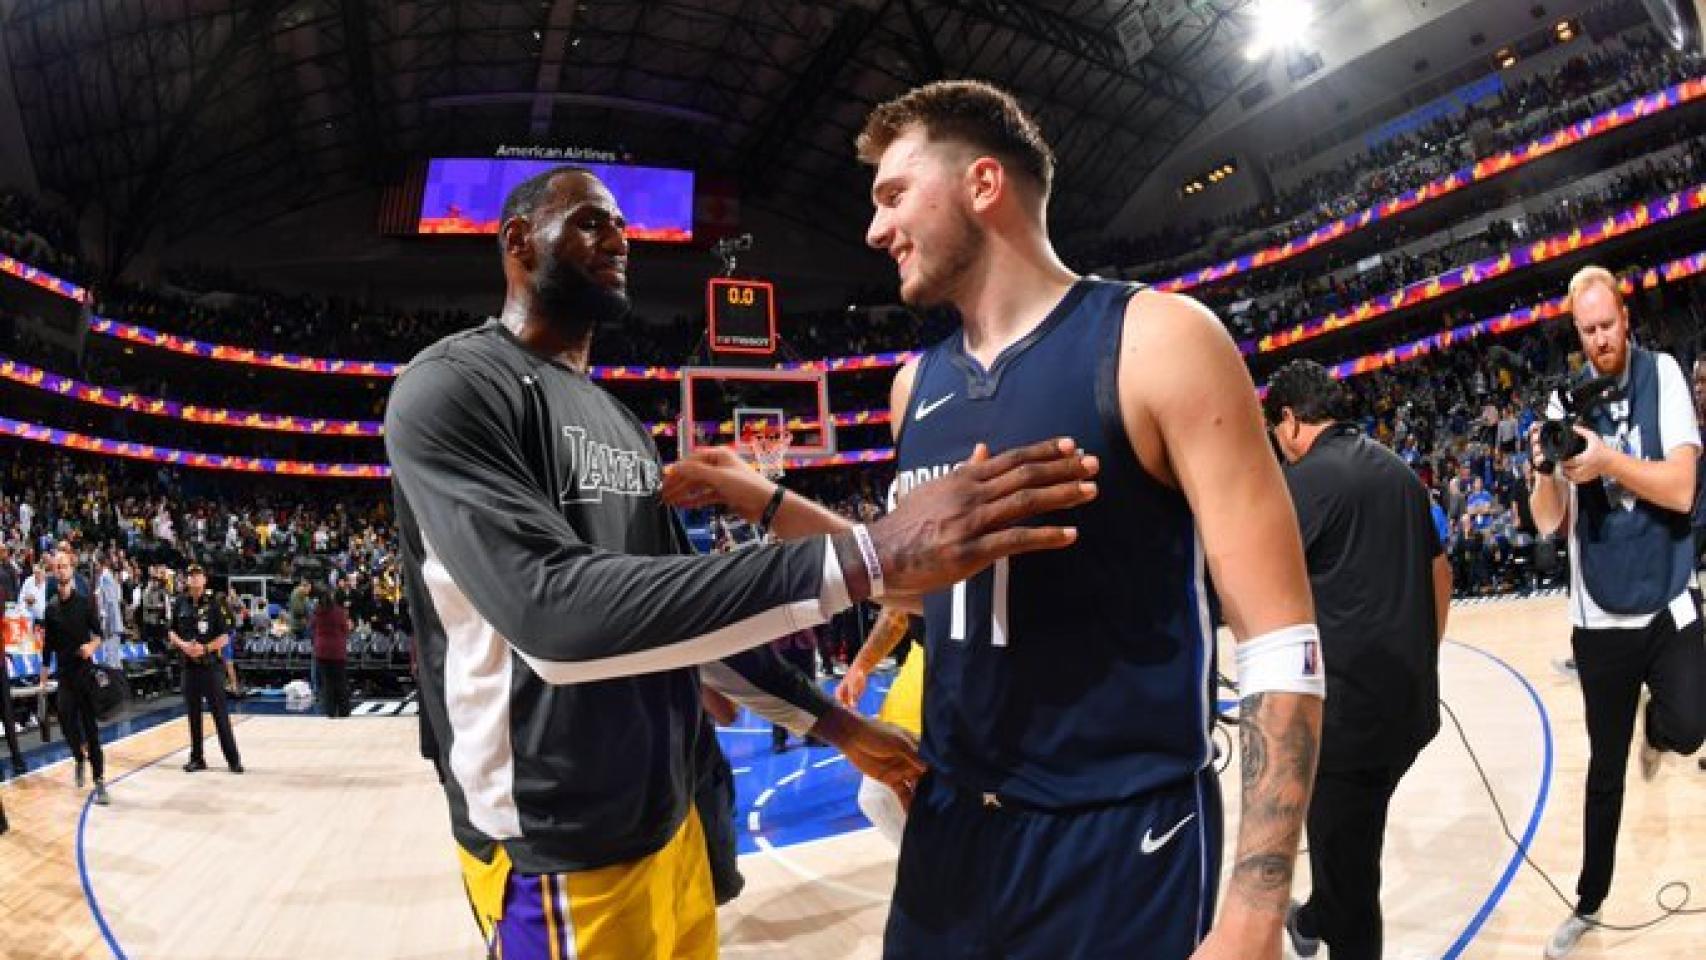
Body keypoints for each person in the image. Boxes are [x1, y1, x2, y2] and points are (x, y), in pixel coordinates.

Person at [667, 79, 1323, 960]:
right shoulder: (914, 388)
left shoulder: (1159, 339)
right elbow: (921, 586)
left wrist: (1255, 908)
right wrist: (766, 499)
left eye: (894, 194)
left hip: (1118, 837)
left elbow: (1281, 637)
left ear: (983, 184)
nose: (875, 229)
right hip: (951, 824)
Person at [382, 163, 1095, 959]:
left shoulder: (620, 423)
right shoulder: (451, 387)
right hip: (556, 840)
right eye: (590, 221)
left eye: (621, 224)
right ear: (518, 242)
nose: (618, 238)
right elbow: (551, 618)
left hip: (671, 815)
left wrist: (838, 725)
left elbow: (690, 622)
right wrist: (869, 551)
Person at [1529, 265, 1706, 957]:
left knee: (1690, 729)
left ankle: (1656, 729)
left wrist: (1607, 462)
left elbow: (1682, 488)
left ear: (1625, 318)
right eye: (1587, 330)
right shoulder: (1562, 400)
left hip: (1667, 594)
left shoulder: (1664, 375)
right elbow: (1547, 522)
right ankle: (1589, 901)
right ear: (1576, 332)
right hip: (1599, 619)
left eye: (1607, 325)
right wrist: (1544, 469)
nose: (1600, 339)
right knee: (1604, 773)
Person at [1262, 360, 1450, 960]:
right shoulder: (1400, 472)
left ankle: (1326, 918)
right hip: (1409, 710)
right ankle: (1312, 917)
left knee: (1353, 889)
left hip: (1348, 727)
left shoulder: (1305, 482)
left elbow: (1261, 589)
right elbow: (1439, 572)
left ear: (1290, 420)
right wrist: (1424, 655)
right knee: (1351, 844)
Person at [833, 606, 922, 845]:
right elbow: (896, 609)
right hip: (923, 671)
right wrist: (861, 664)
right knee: (877, 796)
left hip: (981, 674)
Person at [40, 551, 109, 805]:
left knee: (91, 730)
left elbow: (99, 634)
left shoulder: (84, 602)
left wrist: (91, 647)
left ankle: (99, 780)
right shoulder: (50, 608)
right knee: (67, 725)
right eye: (57, 567)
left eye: (64, 566)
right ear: (53, 572)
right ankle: (79, 758)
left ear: (71, 570)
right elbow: (48, 646)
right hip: (65, 677)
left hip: (85, 675)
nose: (61, 570)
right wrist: (43, 677)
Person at [168, 564, 242, 774]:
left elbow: (225, 635)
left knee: (220, 715)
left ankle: (233, 759)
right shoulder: (180, 602)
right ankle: (197, 758)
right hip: (188, 666)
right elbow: (171, 631)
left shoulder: (215, 603)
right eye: (190, 576)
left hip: (211, 667)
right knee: (193, 715)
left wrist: (206, 648)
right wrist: (183, 646)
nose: (194, 579)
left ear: (204, 579)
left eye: (197, 575)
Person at [311, 586, 352, 719]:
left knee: (327, 682)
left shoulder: (316, 612)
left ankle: (330, 711)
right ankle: (344, 710)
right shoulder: (339, 612)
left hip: (321, 650)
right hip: (337, 649)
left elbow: (312, 627)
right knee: (340, 681)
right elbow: (345, 629)